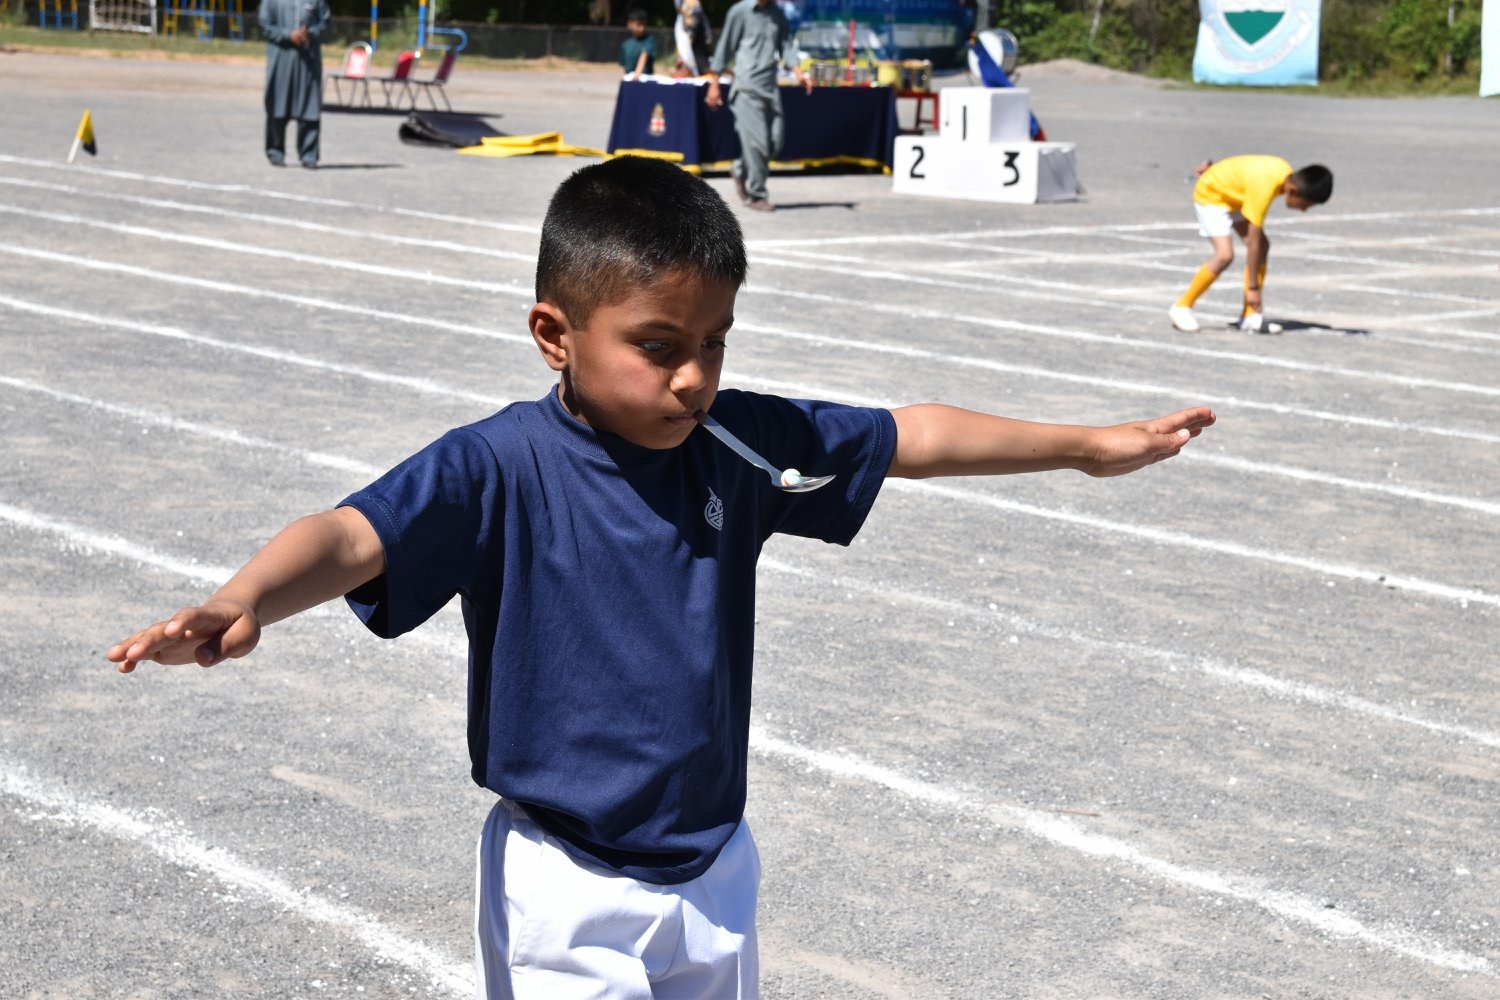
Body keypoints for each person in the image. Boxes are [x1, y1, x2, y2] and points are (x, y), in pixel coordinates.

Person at [106, 156, 1216, 999]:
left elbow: (908, 434)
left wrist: (1085, 445)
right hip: (566, 880)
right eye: (659, 344)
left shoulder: (737, 443)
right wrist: (246, 597)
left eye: (716, 341)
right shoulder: (496, 465)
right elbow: (352, 535)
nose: (694, 377)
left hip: (715, 865)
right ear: (555, 333)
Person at [1169, 155, 1333, 334]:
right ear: (1293, 190)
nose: (1304, 210)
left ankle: (1249, 316)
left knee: (1263, 246)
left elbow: (1244, 167)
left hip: (1234, 197)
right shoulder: (1264, 186)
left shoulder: (1284, 173)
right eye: (1305, 205)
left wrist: (1216, 169)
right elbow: (1253, 242)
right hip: (1212, 196)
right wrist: (1253, 289)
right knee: (1225, 255)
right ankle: (1182, 307)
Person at [705, 0, 813, 212]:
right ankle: (757, 195)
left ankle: (740, 168)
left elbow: (786, 47)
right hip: (746, 88)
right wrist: (714, 84)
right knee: (758, 145)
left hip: (770, 89)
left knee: (774, 142)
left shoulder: (777, 14)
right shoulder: (739, 12)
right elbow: (725, 47)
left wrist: (799, 74)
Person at [258, 0, 330, 169]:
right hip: (280, 59)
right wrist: (287, 35)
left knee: (309, 107)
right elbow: (265, 24)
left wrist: (309, 33)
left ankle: (308, 154)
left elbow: (325, 22)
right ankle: (275, 152)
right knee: (277, 105)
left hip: (308, 62)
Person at [673, 0, 712, 77]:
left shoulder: (693, 10)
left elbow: (690, 35)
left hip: (698, 61)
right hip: (691, 60)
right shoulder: (682, 17)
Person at [620, 7, 658, 77]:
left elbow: (644, 55)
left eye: (644, 25)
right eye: (639, 24)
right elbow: (625, 67)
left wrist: (637, 75)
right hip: (630, 77)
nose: (642, 28)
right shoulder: (626, 44)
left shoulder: (649, 40)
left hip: (644, 78)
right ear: (629, 24)